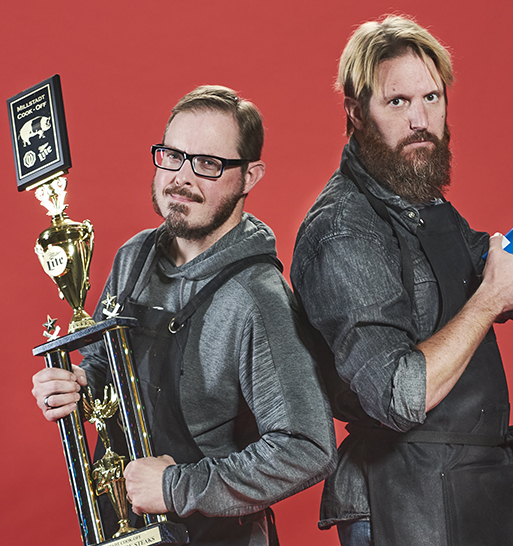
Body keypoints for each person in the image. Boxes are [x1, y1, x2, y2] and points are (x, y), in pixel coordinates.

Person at [290, 15, 513, 546]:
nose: (420, 120)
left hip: (469, 489)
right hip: (401, 500)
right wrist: (489, 298)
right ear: (355, 113)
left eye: (431, 98)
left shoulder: (426, 206)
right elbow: (397, 396)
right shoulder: (344, 231)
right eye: (397, 102)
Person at [32, 85, 336, 546]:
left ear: (249, 176)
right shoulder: (134, 257)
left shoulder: (256, 297)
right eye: (173, 156)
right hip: (124, 528)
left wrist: (177, 488)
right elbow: (103, 364)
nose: (181, 178)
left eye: (208, 163)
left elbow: (307, 448)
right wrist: (76, 384)